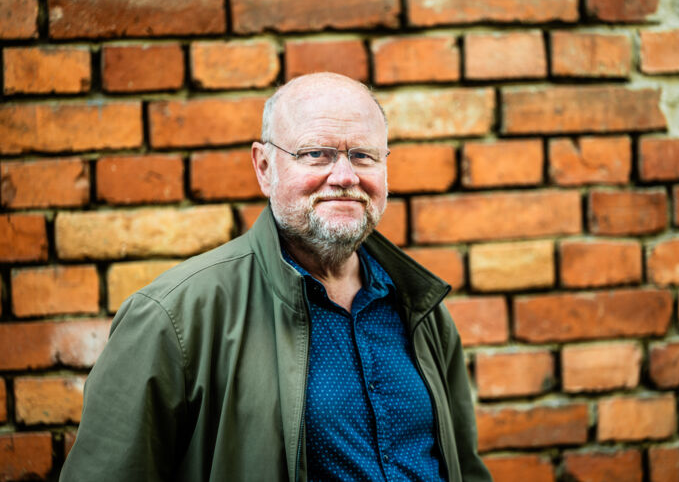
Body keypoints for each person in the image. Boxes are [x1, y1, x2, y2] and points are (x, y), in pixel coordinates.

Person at [61, 72, 491, 482]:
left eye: (363, 155)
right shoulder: (172, 319)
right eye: (315, 154)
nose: (344, 176)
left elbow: (465, 469)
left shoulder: (422, 309)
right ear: (264, 167)